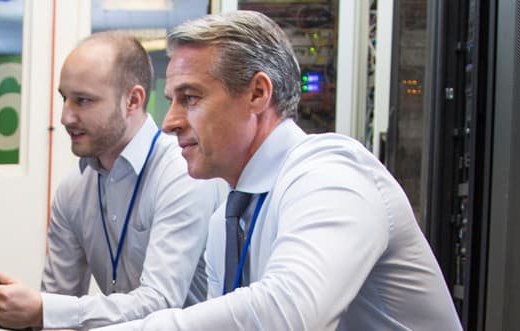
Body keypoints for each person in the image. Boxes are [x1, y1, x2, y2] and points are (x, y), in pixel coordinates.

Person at [97, 11, 461, 330]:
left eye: (190, 98)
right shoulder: (226, 219)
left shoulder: (329, 172)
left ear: (258, 93)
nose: (170, 122)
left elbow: (290, 313)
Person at [0, 32, 225, 330]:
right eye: (64, 98)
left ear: (133, 100)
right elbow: (58, 303)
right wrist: (26, 310)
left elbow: (159, 304)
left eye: (83, 100)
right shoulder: (74, 189)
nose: (66, 117)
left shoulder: (181, 175)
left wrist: (43, 309)